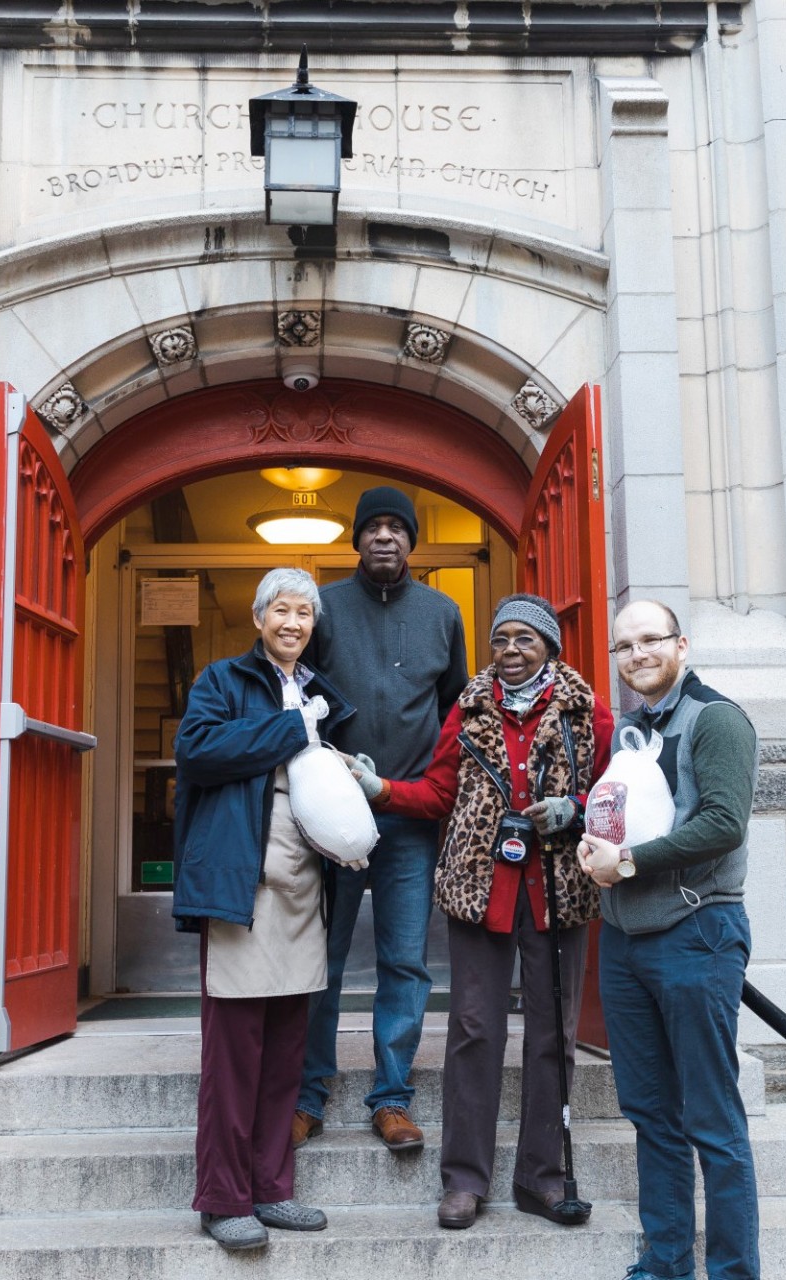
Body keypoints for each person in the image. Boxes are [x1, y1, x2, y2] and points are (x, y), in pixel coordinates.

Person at [350, 594, 613, 1230]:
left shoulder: (588, 714)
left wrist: (575, 807)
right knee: (473, 1032)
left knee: (553, 1035)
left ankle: (542, 1177)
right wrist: (380, 788)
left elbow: (610, 793)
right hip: (480, 892)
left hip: (557, 893)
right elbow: (440, 790)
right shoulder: (467, 711)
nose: (511, 652)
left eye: (525, 639)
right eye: (501, 640)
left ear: (549, 646)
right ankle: (465, 1180)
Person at [576, 600, 761, 1280]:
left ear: (681, 644)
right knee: (651, 1114)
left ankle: (735, 1272)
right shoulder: (629, 728)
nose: (636, 655)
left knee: (711, 1120)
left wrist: (624, 864)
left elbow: (721, 825)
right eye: (624, 646)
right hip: (625, 940)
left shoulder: (716, 719)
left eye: (650, 640)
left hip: (696, 934)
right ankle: (666, 1263)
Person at [172, 568, 351, 1253]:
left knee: (284, 1053)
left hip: (305, 884)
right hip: (239, 885)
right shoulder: (222, 681)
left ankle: (273, 1188)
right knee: (235, 1052)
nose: (293, 623)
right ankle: (223, 1198)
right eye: (282, 610)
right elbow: (199, 751)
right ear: (258, 618)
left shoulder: (322, 692)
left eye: (305, 613)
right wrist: (289, 729)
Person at [296, 486, 468, 1153]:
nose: (386, 538)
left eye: (398, 527)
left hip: (409, 817)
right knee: (323, 960)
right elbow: (298, 699)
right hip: (330, 819)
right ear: (357, 540)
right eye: (374, 527)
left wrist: (431, 788)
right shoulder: (325, 609)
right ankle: (308, 1094)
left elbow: (455, 710)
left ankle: (391, 1099)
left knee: (404, 962)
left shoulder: (443, 613)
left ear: (413, 540)